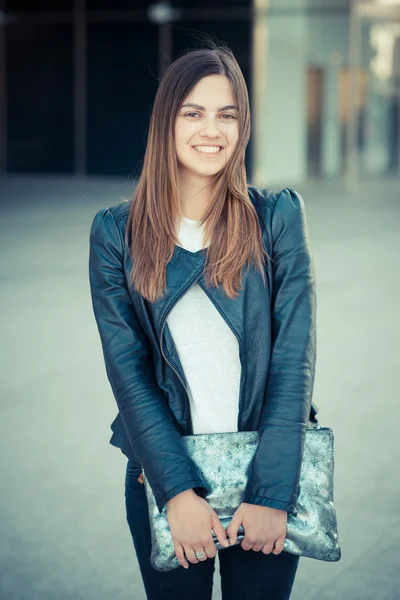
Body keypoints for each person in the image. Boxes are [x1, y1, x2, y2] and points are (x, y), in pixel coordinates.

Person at [88, 42, 316, 600]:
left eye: (227, 113)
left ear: (243, 126)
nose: (211, 129)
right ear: (166, 121)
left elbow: (293, 362)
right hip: (165, 479)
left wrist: (270, 494)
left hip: (265, 481)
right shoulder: (116, 234)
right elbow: (129, 373)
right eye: (193, 112)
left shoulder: (276, 217)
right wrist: (176, 492)